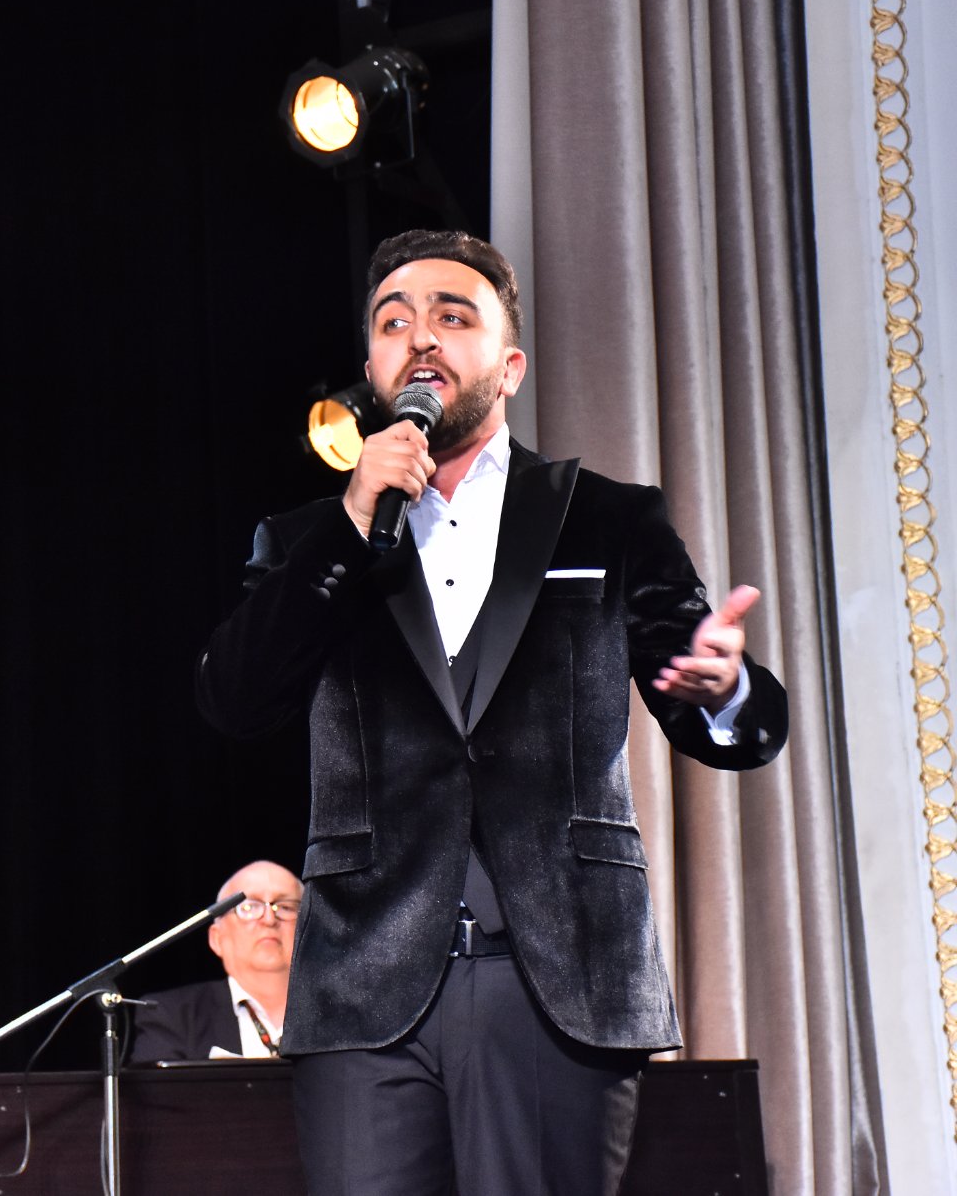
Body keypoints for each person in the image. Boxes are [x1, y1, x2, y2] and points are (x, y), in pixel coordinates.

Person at [196, 229, 787, 1194]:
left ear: (509, 366)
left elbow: (733, 727)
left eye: (451, 315)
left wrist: (724, 689)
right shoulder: (311, 538)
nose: (420, 337)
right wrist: (349, 525)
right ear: (372, 372)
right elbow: (235, 699)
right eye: (394, 322)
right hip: (363, 986)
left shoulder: (607, 517)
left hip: (560, 977)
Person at [128, 860, 300, 1063]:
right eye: (249, 907)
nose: (269, 919)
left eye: (285, 907)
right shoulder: (173, 1015)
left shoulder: (334, 1011)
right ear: (217, 938)